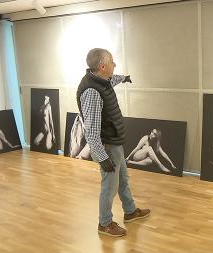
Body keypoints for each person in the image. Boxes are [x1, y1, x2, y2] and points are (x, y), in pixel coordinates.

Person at [77, 48, 150, 237]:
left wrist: (124, 78)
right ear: (102, 66)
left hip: (115, 142)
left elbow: (112, 79)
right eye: (111, 62)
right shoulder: (92, 91)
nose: (114, 64)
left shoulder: (101, 79)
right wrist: (101, 157)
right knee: (109, 187)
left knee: (123, 180)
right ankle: (105, 223)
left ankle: (130, 211)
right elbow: (91, 130)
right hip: (107, 146)